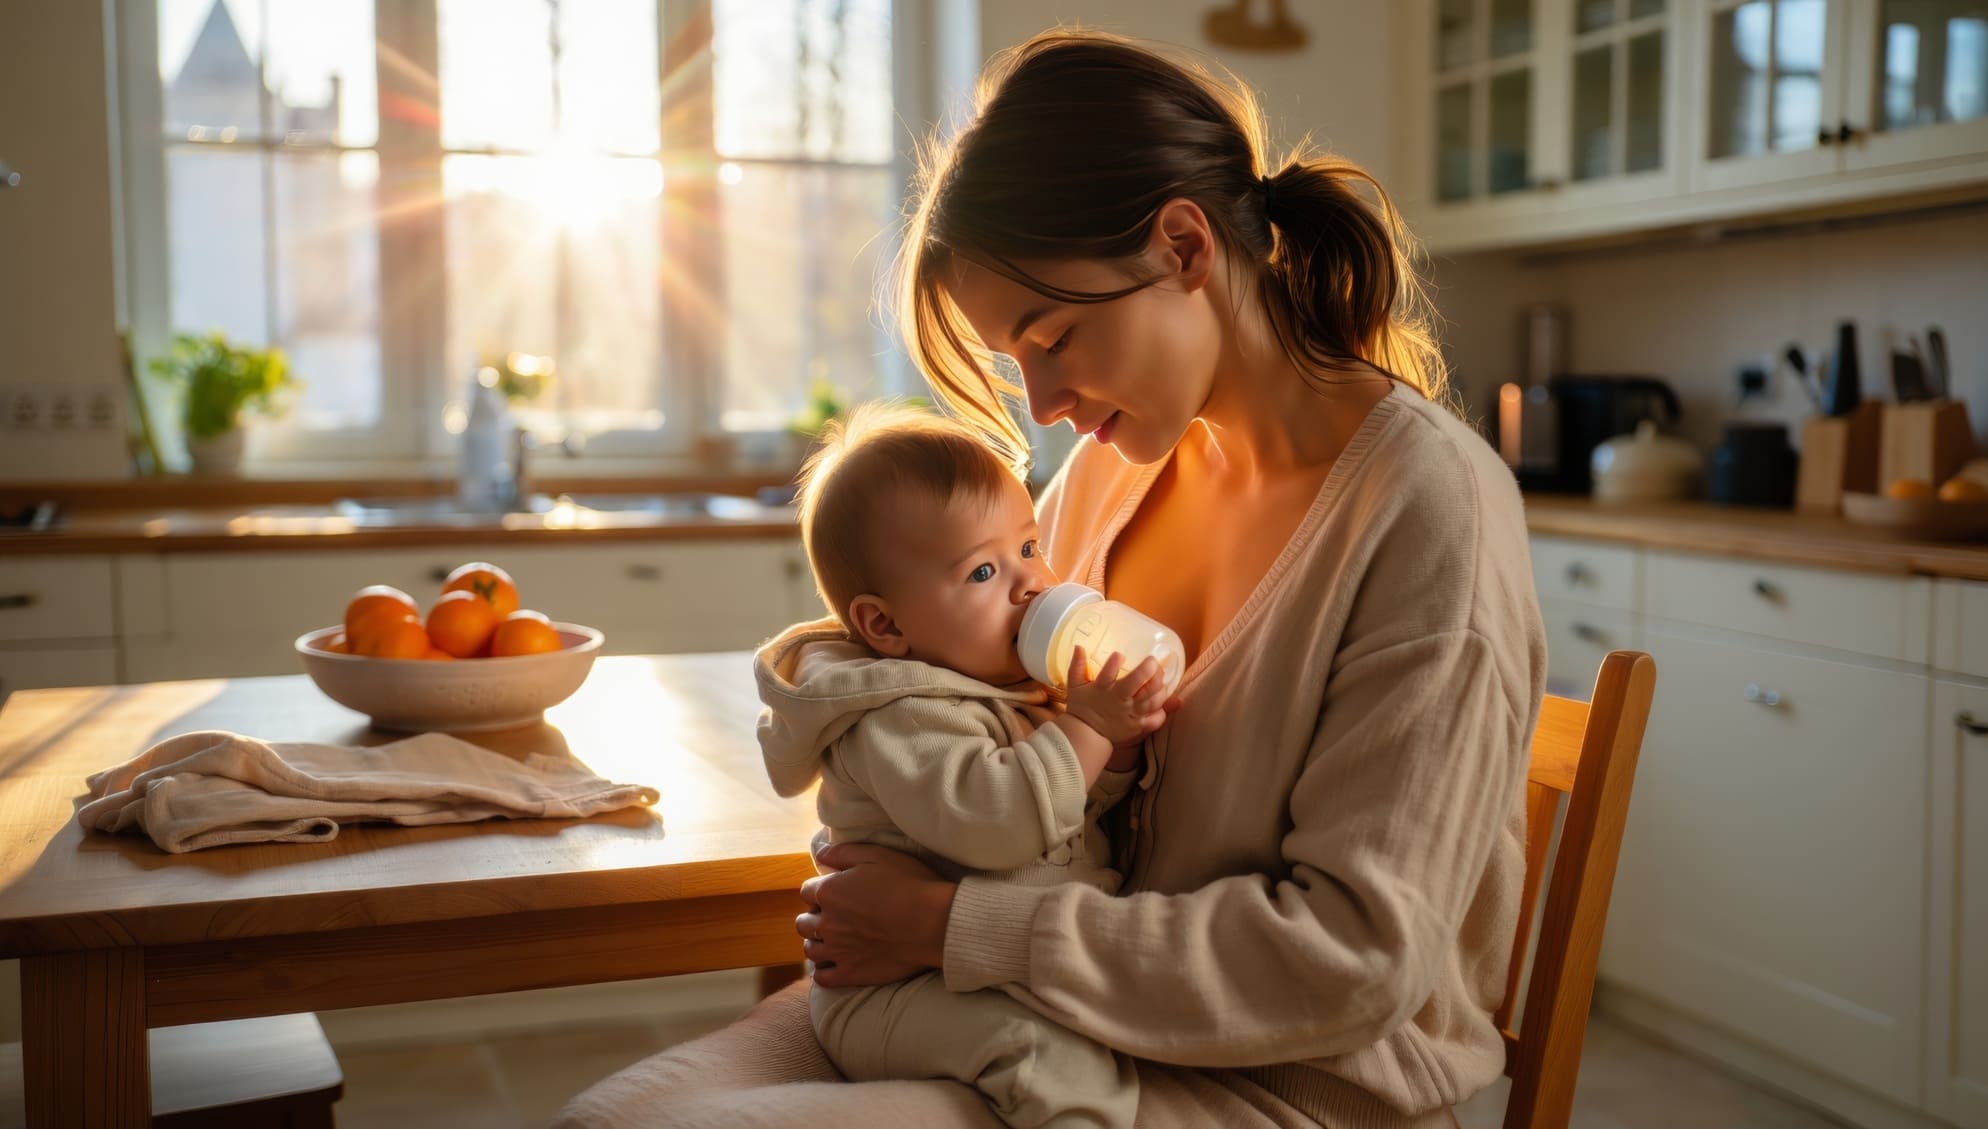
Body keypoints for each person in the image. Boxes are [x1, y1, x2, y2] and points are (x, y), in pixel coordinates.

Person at [560, 27, 1545, 1128]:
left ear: (1182, 247)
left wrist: (947, 926)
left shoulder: (1425, 509)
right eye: (1013, 362)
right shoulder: (1109, 480)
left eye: (1055, 336)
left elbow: (1351, 964)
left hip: (1277, 1088)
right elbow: (1013, 745)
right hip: (1054, 1006)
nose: (1040, 404)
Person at [754, 403, 1173, 1128]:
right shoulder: (898, 713)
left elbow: (1063, 811)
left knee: (1103, 1036)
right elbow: (997, 822)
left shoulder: (1011, 682)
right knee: (1046, 1058)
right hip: (894, 991)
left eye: (1031, 546)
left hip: (983, 963)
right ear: (885, 625)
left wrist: (1116, 752)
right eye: (983, 569)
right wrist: (1088, 728)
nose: (1029, 583)